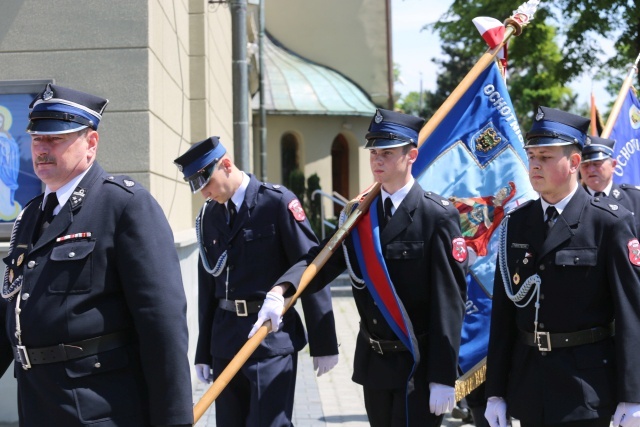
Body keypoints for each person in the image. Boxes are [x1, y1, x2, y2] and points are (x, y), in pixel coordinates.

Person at [249, 108, 469, 427]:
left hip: (416, 364)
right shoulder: (359, 214)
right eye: (374, 153)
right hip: (375, 362)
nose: (377, 160)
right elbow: (321, 258)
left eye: (387, 153)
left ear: (412, 155)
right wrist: (282, 290)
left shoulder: (436, 216)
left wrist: (443, 375)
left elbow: (450, 303)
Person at [0, 83, 194, 426]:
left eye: (55, 139)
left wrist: (174, 420)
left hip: (99, 409)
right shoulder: (31, 216)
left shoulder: (124, 206)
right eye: (36, 139)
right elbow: (10, 312)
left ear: (91, 143)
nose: (42, 149)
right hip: (37, 404)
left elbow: (162, 326)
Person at [485, 106, 640, 427]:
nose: (535, 165)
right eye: (532, 157)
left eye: (545, 156)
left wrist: (633, 395)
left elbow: (631, 314)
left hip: (586, 388)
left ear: (573, 163)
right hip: (529, 384)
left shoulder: (608, 223)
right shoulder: (517, 223)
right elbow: (503, 314)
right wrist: (495, 391)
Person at [173, 136, 339, 426]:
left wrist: (324, 341)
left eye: (207, 183)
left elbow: (310, 264)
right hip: (226, 342)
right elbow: (208, 287)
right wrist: (203, 351)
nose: (205, 194)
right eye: (199, 188)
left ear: (226, 164)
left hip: (269, 337)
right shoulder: (209, 216)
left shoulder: (276, 203)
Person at [580, 134, 640, 231]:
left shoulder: (635, 199)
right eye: (585, 165)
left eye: (596, 164)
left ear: (613, 165)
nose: (590, 170)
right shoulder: (571, 201)